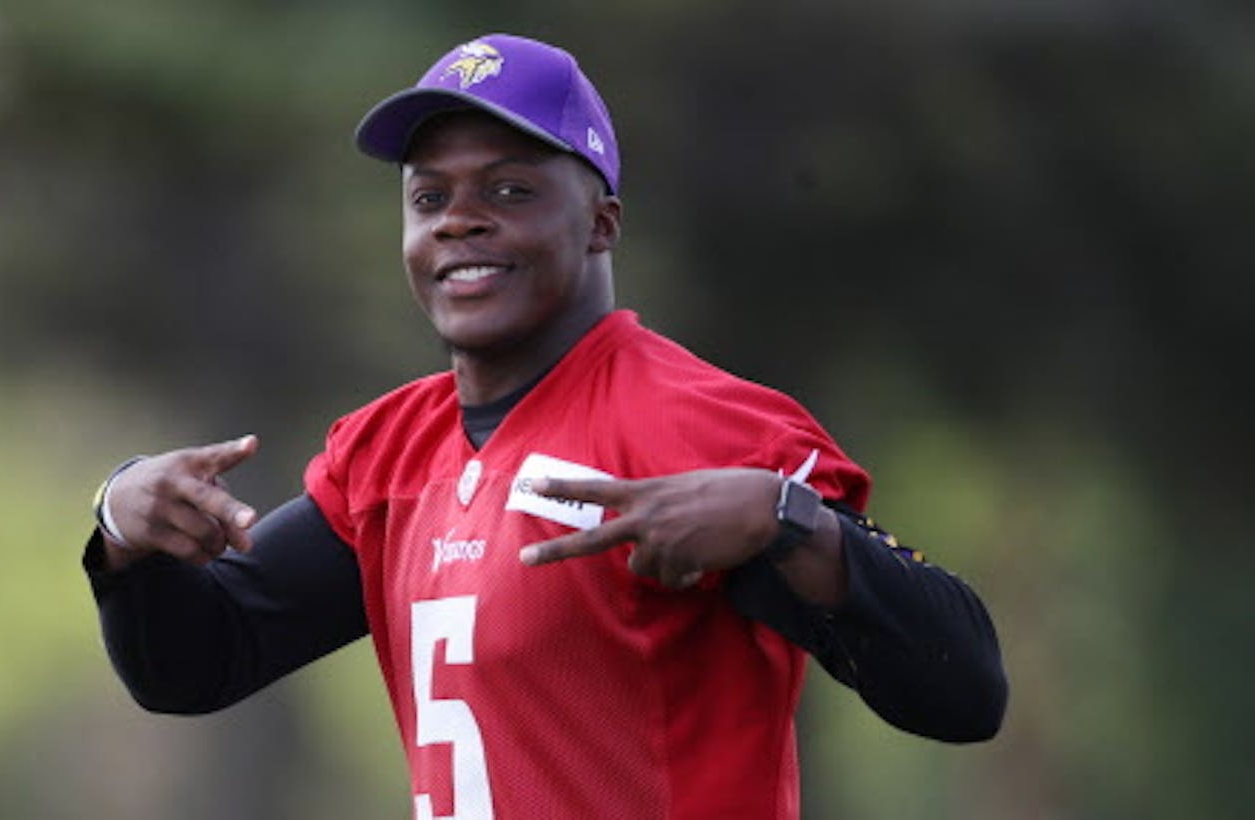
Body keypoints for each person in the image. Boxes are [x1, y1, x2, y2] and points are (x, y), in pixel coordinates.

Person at [84, 33, 1006, 819]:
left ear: (601, 222)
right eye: (429, 197)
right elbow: (196, 665)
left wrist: (787, 519)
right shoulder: (388, 453)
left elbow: (962, 689)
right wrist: (125, 522)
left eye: (510, 191)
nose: (459, 223)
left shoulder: (706, 427)